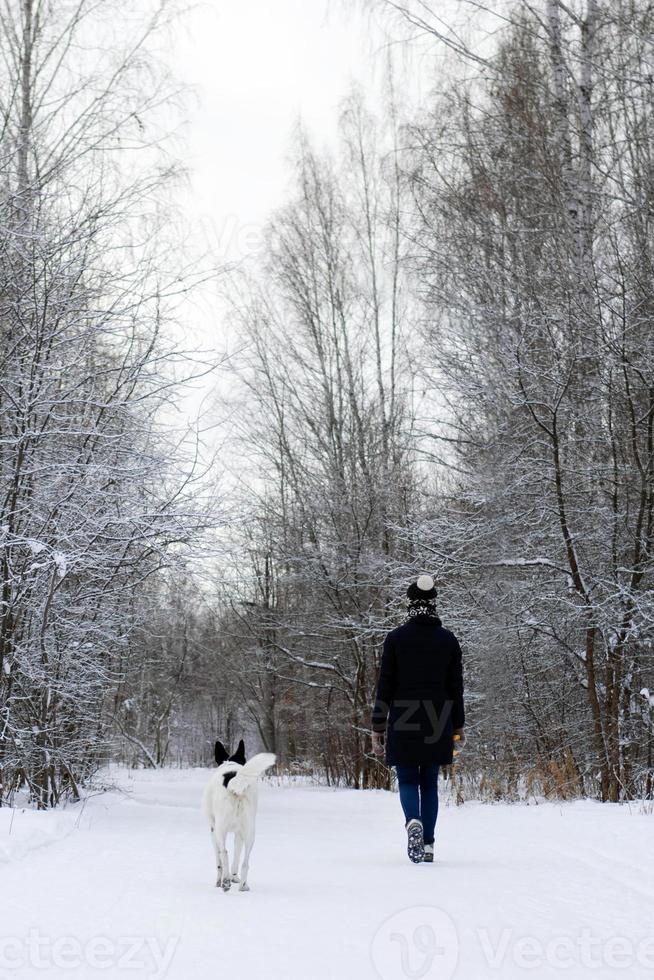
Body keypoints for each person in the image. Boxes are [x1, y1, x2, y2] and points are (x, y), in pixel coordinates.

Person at [371, 574, 465, 863]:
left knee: (409, 780)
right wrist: (458, 727)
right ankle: (428, 844)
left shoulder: (396, 639)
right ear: (434, 604)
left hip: (404, 716)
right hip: (438, 717)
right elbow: (455, 688)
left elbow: (384, 685)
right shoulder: (448, 641)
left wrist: (378, 727)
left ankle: (413, 821)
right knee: (430, 784)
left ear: (410, 604)